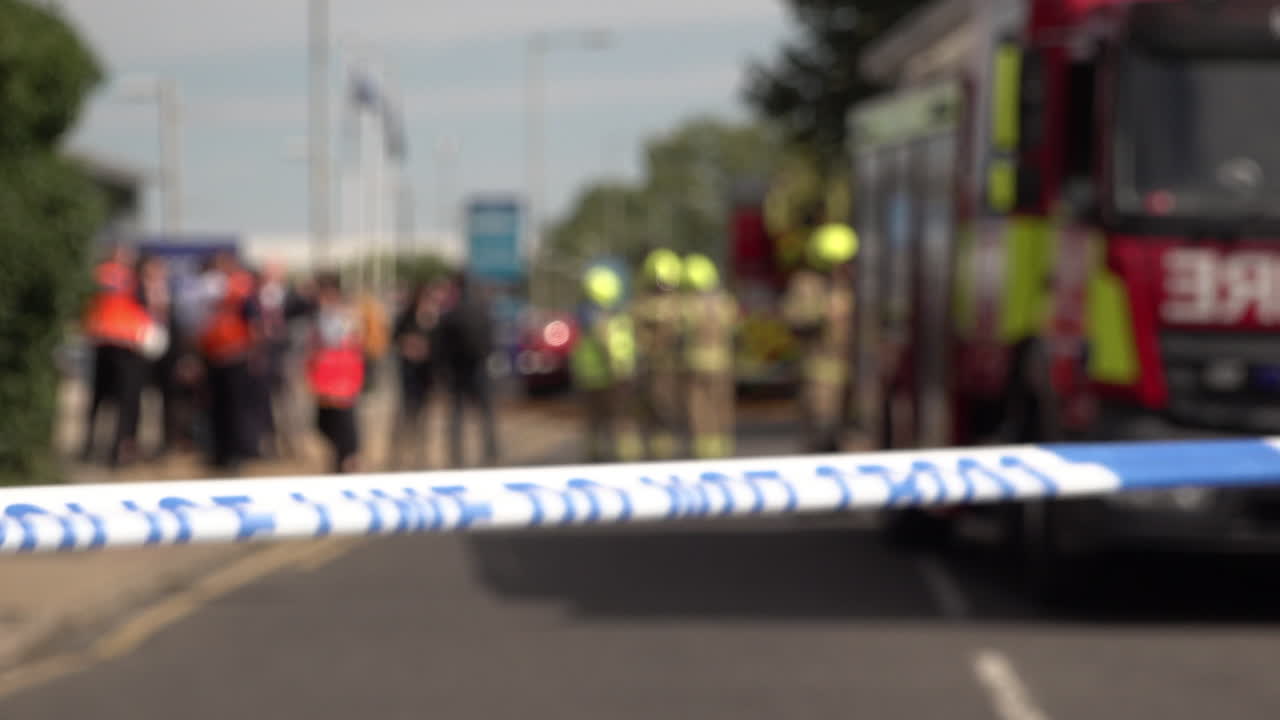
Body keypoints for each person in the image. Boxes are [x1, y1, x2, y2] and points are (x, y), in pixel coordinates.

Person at [782, 220, 859, 453]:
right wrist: (821, 314)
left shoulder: (850, 287)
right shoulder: (806, 285)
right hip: (819, 377)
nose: (848, 267)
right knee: (821, 435)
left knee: (847, 436)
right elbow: (794, 321)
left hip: (850, 376)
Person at [81, 244, 152, 467]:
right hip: (126, 345)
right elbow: (144, 308)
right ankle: (118, 451)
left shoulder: (96, 275)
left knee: (98, 400)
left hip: (102, 341)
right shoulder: (132, 278)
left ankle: (89, 447)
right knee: (126, 402)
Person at [569, 264, 641, 463]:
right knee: (621, 421)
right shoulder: (609, 317)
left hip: (590, 378)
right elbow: (610, 345)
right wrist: (622, 368)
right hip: (613, 376)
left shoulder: (584, 315)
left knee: (595, 424)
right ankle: (624, 459)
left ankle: (596, 458)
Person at [197, 251, 257, 471]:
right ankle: (218, 453)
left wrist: (253, 351)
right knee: (215, 408)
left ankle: (235, 455)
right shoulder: (208, 289)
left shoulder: (241, 289)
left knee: (235, 408)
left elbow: (252, 322)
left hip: (236, 356)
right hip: (213, 355)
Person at [435, 273, 500, 467]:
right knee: (485, 414)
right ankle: (491, 452)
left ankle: (456, 456)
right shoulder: (482, 311)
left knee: (457, 416)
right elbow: (491, 340)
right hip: (479, 368)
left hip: (457, 372)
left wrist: (442, 371)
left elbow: (440, 347)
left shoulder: (449, 315)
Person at [306, 272, 365, 473]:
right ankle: (340, 460)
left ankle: (348, 462)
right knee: (325, 423)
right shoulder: (321, 315)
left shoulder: (344, 315)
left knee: (344, 424)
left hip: (341, 378)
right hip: (325, 378)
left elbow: (342, 341)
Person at [680, 254, 738, 459]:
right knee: (721, 405)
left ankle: (703, 450)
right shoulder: (726, 302)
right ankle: (723, 447)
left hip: (696, 363)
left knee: (700, 407)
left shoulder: (687, 304)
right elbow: (734, 328)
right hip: (722, 362)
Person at [632, 248, 686, 460]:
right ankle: (661, 452)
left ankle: (661, 453)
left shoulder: (642, 304)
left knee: (661, 412)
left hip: (660, 367)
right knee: (659, 412)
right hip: (660, 367)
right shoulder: (680, 304)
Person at [389, 282, 442, 469]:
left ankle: (421, 455)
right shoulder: (406, 317)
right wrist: (408, 345)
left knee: (423, 417)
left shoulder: (435, 319)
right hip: (408, 373)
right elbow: (394, 338)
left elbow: (440, 344)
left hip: (425, 375)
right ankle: (398, 454)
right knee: (404, 415)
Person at [136, 253, 181, 459]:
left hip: (167, 352)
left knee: (168, 399)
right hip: (140, 350)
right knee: (140, 398)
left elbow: (179, 324)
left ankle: (165, 443)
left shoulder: (171, 293)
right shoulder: (136, 291)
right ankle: (134, 442)